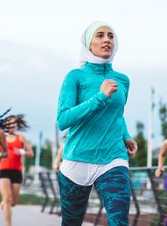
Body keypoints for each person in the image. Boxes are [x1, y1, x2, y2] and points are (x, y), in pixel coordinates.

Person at [56, 21, 138, 226]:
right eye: (100, 36)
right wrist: (100, 97)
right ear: (88, 43)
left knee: (119, 222)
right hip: (77, 159)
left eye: (110, 36)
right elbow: (63, 120)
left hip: (113, 158)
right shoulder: (75, 77)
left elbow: (117, 115)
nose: (107, 40)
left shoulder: (123, 80)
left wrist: (125, 136)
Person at [0, 115, 34, 226]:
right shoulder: (1, 137)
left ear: (16, 125)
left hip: (16, 171)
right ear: (5, 125)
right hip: (4, 170)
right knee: (7, 198)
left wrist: (21, 151)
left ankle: (4, 203)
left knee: (13, 202)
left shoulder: (21, 138)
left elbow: (31, 153)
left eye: (13, 123)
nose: (11, 125)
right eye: (9, 123)